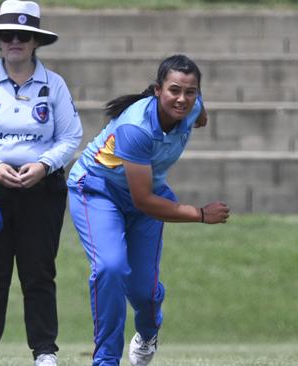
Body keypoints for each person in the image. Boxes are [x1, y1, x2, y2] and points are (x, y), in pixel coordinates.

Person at [66, 54, 230, 366]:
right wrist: (200, 214)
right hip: (98, 190)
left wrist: (199, 114)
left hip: (146, 192)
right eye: (174, 91)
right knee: (110, 268)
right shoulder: (136, 127)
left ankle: (148, 331)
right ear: (157, 90)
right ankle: (106, 360)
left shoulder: (192, 106)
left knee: (143, 290)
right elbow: (143, 200)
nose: (182, 99)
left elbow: (200, 114)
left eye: (190, 91)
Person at [0, 1, 83, 365]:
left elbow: (71, 137)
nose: (15, 42)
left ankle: (44, 352)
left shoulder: (53, 84)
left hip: (42, 190)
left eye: (23, 35)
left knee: (38, 272)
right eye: (8, 35)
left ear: (35, 41)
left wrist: (43, 165)